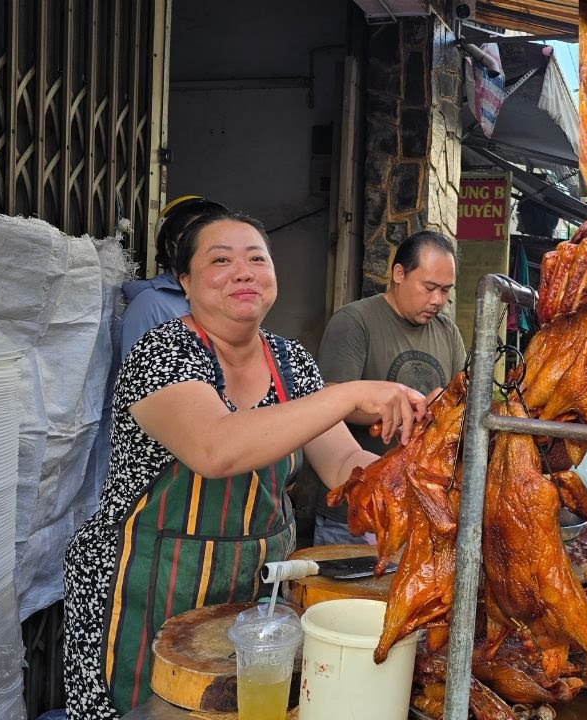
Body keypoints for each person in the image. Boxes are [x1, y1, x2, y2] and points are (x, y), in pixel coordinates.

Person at [62, 206, 427, 718]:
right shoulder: (161, 353)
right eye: (220, 260)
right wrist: (348, 394)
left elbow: (344, 460)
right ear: (184, 282)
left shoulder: (291, 363)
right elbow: (215, 448)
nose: (244, 271)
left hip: (251, 598)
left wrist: (426, 485)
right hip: (144, 591)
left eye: (258, 258)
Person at [308, 230, 466, 546]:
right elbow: (326, 404)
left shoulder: (447, 331)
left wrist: (444, 407)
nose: (437, 300)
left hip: (418, 509)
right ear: (398, 274)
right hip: (355, 510)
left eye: (446, 291)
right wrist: (400, 408)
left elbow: (461, 397)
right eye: (429, 287)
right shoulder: (355, 322)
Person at [117, 195, 227, 360]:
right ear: (170, 248)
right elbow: (141, 382)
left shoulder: (223, 301)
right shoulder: (150, 306)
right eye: (193, 239)